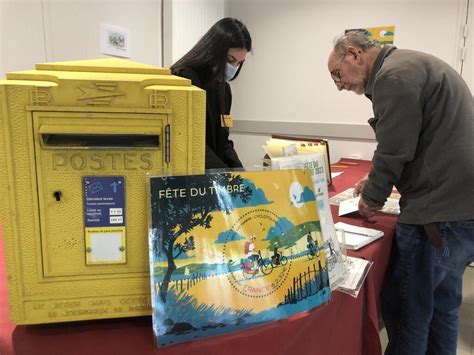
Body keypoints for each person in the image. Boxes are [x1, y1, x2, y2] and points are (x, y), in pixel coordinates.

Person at [327, 31, 474, 355]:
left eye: (337, 74)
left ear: (353, 53)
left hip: (435, 214)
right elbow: (420, 142)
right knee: (442, 305)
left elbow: (395, 150)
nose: (339, 85)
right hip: (462, 210)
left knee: (408, 310)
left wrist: (371, 199)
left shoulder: (393, 75)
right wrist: (379, 181)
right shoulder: (414, 64)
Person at [171, 17, 252, 170]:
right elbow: (188, 139)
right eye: (230, 59)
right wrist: (224, 175)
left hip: (213, 171)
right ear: (213, 51)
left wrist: (241, 173)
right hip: (188, 170)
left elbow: (223, 142)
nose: (234, 67)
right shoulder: (184, 78)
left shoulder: (224, 89)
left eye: (239, 63)